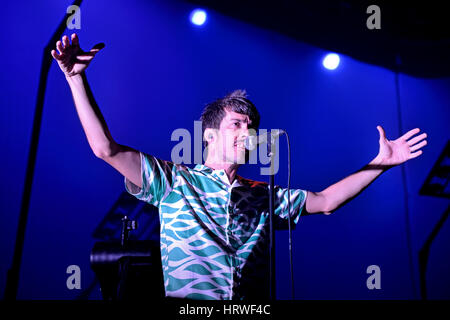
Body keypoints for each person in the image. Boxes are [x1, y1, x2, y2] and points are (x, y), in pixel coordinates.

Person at [51, 33, 428, 300]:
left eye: (252, 127)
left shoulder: (263, 195)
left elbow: (325, 200)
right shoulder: (174, 181)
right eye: (237, 124)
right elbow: (105, 149)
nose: (247, 132)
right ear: (209, 135)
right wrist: (76, 79)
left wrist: (379, 164)